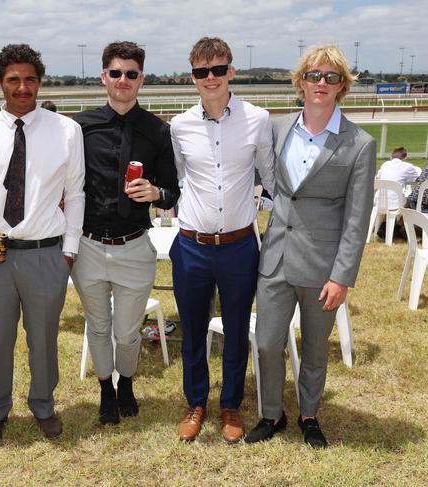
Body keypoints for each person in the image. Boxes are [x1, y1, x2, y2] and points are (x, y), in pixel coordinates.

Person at [245, 44, 376, 448]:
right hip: (277, 257)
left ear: (342, 87)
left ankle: (309, 414)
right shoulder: (278, 128)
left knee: (316, 347)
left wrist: (342, 275)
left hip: (322, 266)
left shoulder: (359, 143)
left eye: (331, 77)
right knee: (267, 343)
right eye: (314, 75)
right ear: (300, 81)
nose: (321, 83)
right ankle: (272, 414)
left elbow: (357, 218)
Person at [0, 44, 85, 446]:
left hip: (46, 253)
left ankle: (44, 405)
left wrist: (69, 250)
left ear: (39, 82)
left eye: (30, 79)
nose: (22, 87)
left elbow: (76, 193)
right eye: (13, 79)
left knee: (44, 339)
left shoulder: (66, 130)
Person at [169, 37, 275, 443]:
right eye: (201, 72)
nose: (210, 78)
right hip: (192, 245)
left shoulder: (258, 119)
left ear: (232, 70)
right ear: (192, 76)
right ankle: (196, 402)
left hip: (238, 246)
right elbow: (177, 179)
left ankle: (230, 404)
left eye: (218, 69)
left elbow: (269, 176)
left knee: (235, 327)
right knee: (193, 330)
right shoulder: (179, 126)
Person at [72, 41, 179, 425]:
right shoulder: (79, 127)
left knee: (128, 331)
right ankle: (105, 389)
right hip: (88, 246)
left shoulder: (157, 130)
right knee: (97, 327)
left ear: (141, 80)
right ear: (104, 77)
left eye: (130, 74)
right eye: (115, 73)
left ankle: (127, 383)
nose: (123, 80)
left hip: (135, 246)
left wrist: (155, 193)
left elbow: (173, 191)